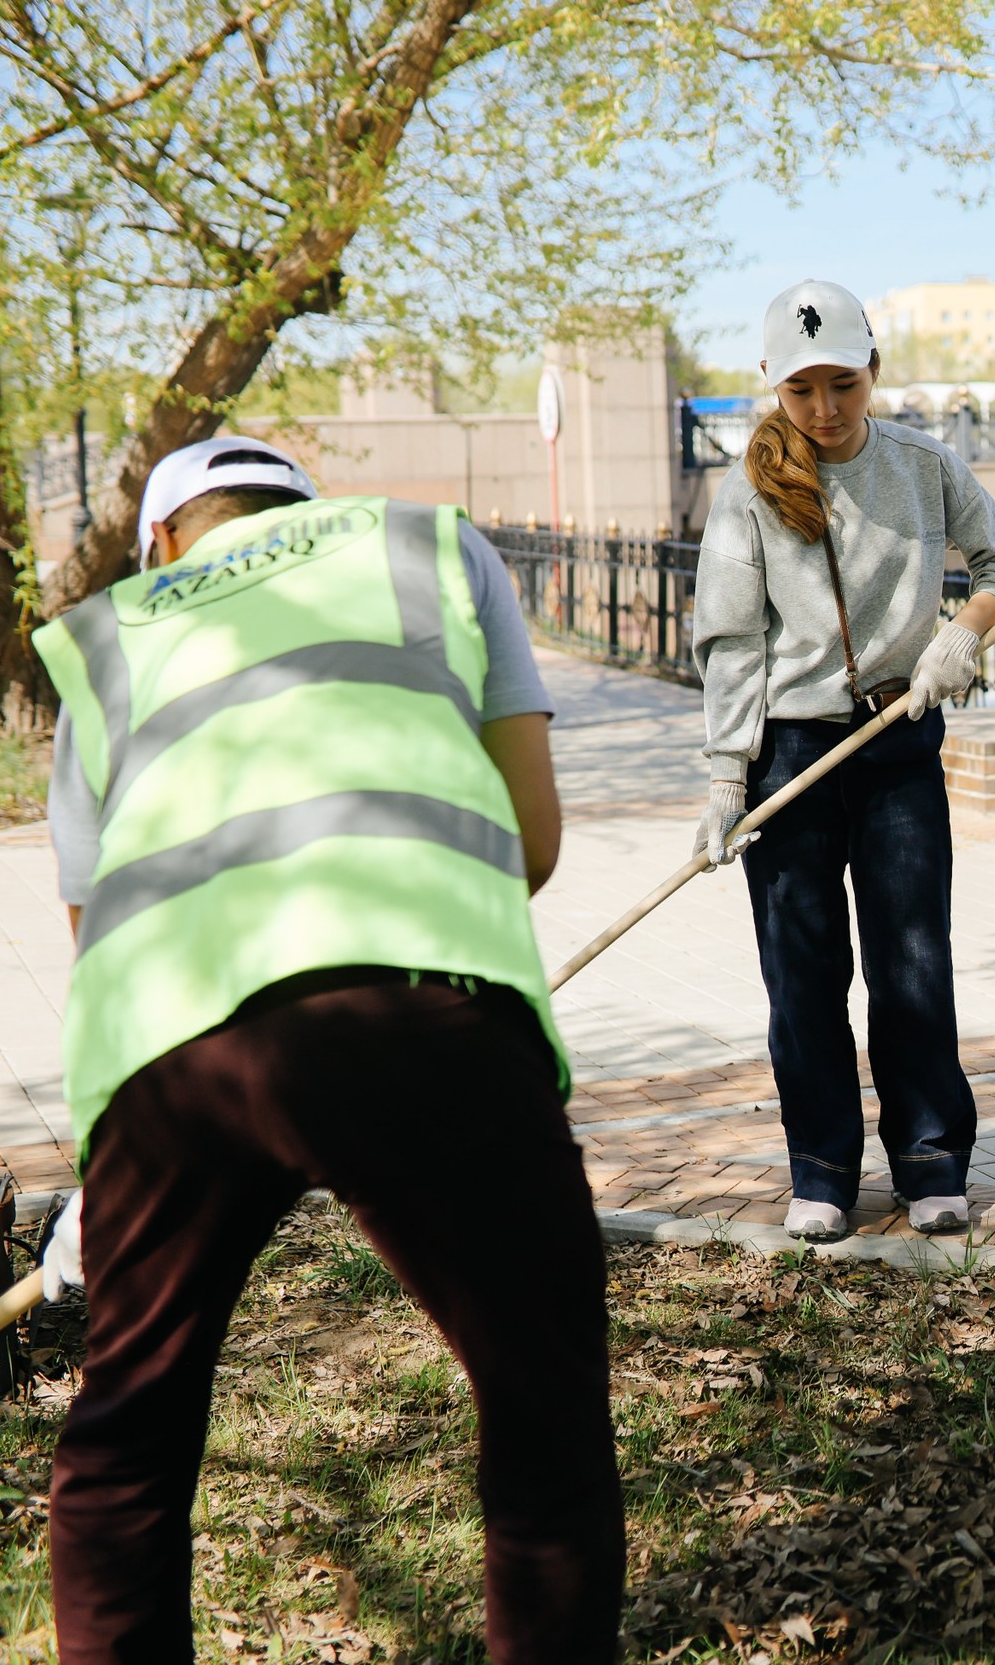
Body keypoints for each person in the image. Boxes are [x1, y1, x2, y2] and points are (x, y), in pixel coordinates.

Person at [32, 436, 618, 1660]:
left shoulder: (109, 636)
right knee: (541, 1405)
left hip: (170, 1051)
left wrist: (109, 1180)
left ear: (160, 542)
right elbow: (531, 837)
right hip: (411, 1005)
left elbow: (101, 938)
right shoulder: (427, 548)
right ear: (306, 511)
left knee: (125, 1445)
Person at [691, 278, 995, 1243]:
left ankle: (930, 1161)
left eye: (843, 383)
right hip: (789, 754)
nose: (825, 409)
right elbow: (731, 642)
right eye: (801, 390)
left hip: (897, 741)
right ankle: (822, 1171)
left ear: (874, 370)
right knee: (801, 974)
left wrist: (963, 630)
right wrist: (726, 776)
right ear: (772, 383)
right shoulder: (747, 491)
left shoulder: (924, 465)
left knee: (912, 959)